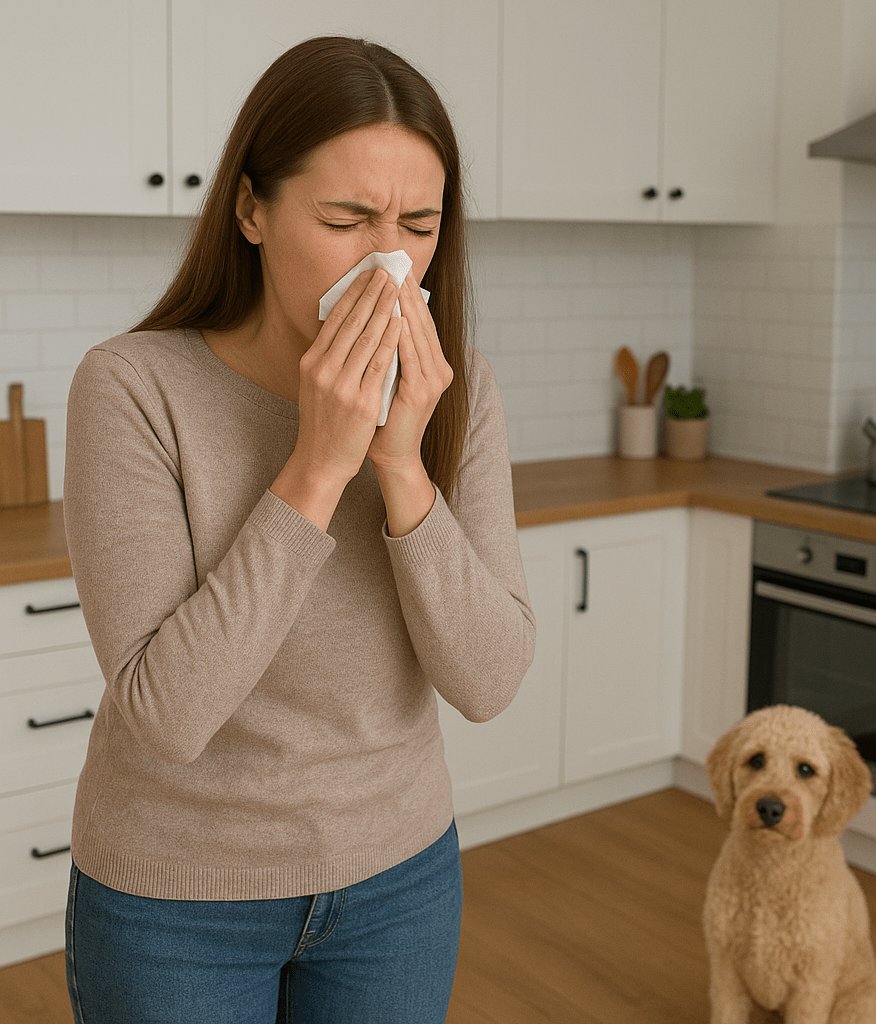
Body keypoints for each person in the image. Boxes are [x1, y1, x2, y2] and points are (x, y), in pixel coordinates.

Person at [61, 35, 535, 1024]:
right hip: (173, 899)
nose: (389, 259)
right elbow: (165, 717)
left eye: (418, 223)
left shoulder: (460, 393)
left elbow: (488, 681)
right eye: (346, 218)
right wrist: (319, 464)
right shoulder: (133, 386)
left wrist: (401, 464)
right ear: (251, 210)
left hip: (397, 879)